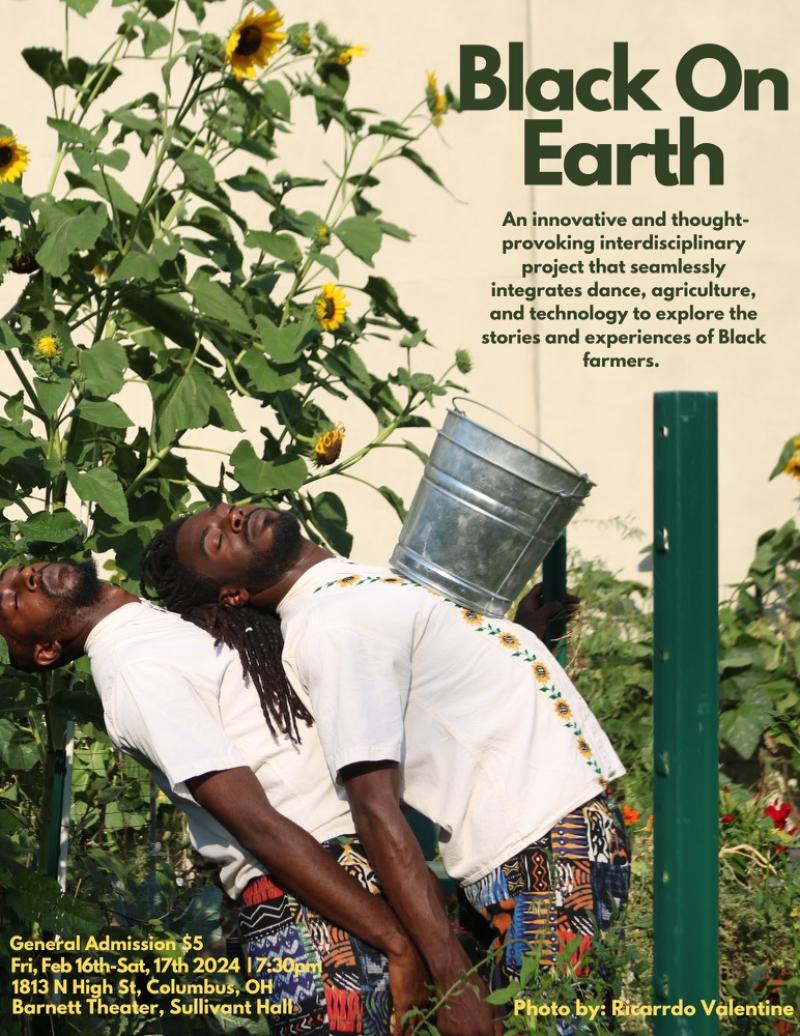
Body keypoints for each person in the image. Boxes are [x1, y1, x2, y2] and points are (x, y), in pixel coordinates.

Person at [141, 504, 631, 1035]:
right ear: (231, 595)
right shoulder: (331, 626)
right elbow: (374, 808)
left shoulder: (351, 590)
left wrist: (512, 636)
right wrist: (452, 977)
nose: (233, 520)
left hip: (554, 835)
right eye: (217, 541)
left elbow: (437, 692)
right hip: (539, 853)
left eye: (225, 512)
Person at [0, 558, 428, 1035]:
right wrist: (395, 942)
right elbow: (254, 823)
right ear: (46, 651)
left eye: (18, 574)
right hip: (310, 902)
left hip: (343, 882)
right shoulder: (133, 670)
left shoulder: (154, 627)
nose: (27, 578)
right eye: (15, 600)